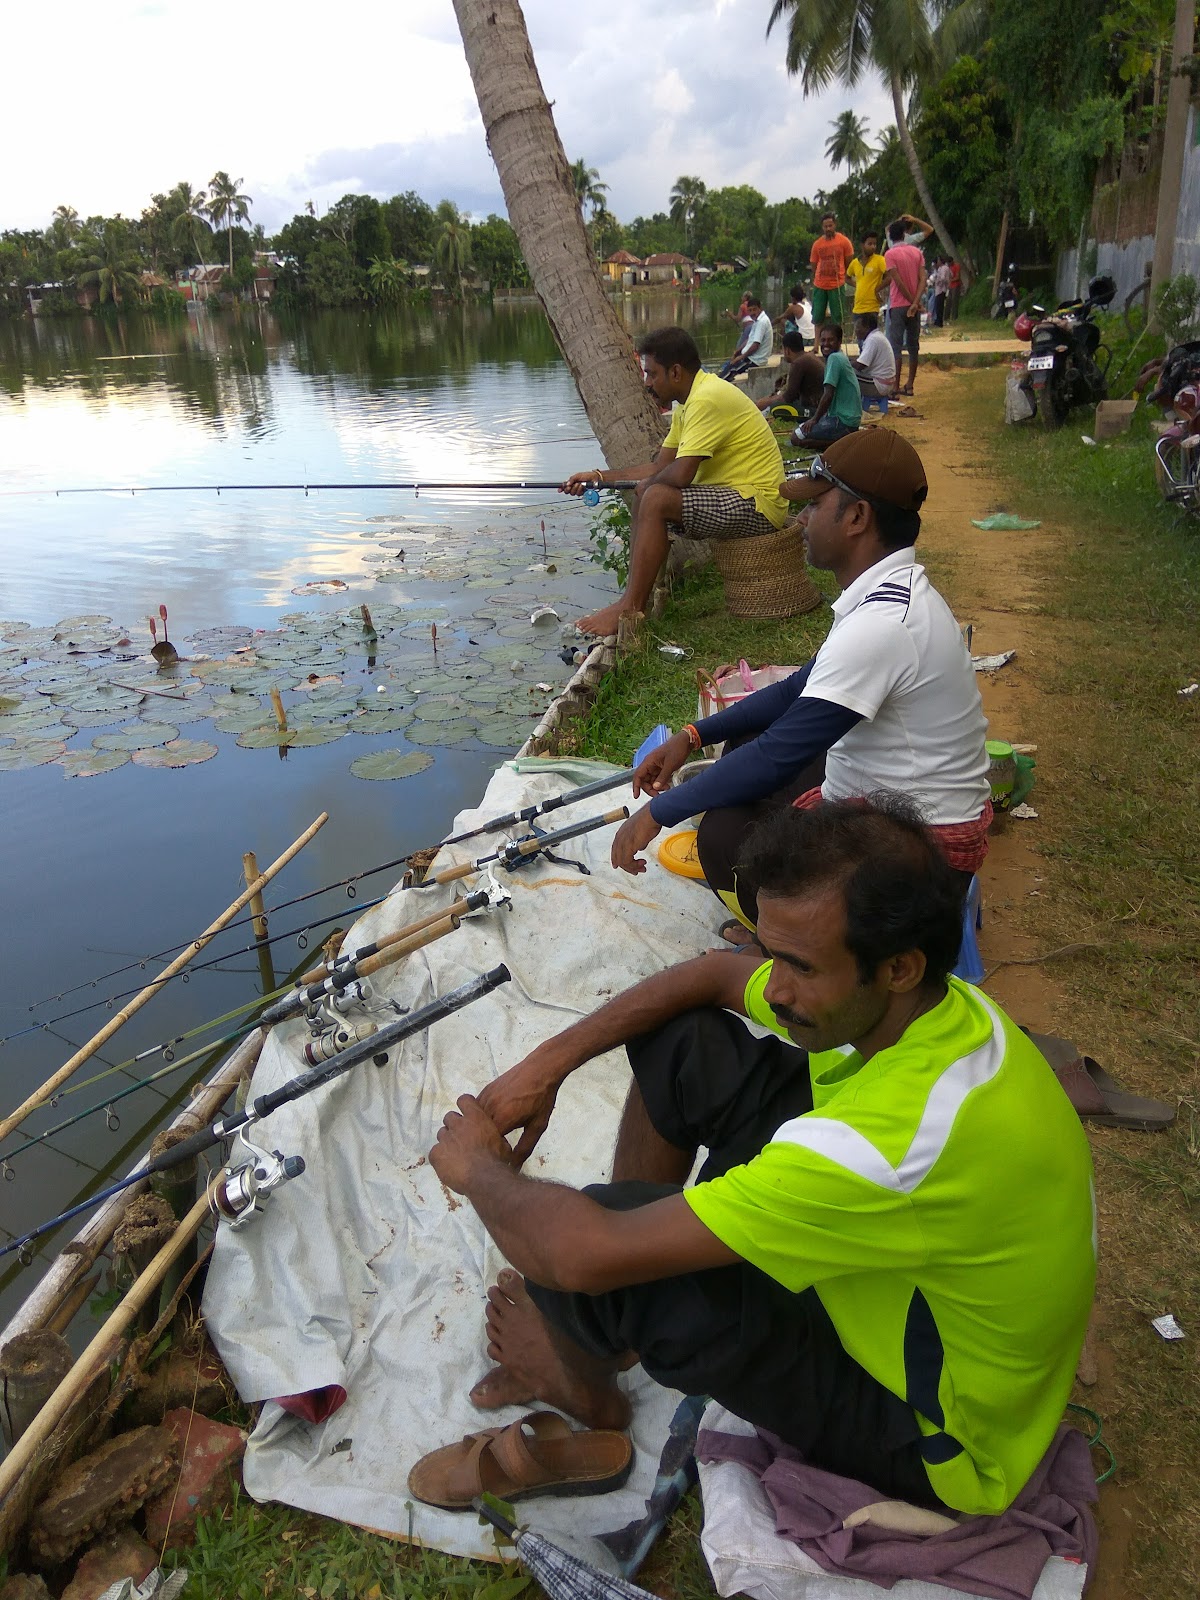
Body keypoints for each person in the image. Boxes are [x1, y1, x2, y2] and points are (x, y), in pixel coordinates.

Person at [426, 795, 1097, 1518]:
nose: (774, 988)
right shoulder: (941, 1010)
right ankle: (610, 1324)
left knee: (585, 1243)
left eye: (800, 966)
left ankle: (586, 1389)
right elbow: (712, 976)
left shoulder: (880, 1147)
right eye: (769, 952)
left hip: (938, 1439)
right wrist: (546, 1065)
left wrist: (479, 1170)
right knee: (686, 1042)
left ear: (898, 967)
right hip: (933, 1296)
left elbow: (579, 1251)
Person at [606, 429, 991, 933]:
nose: (801, 519)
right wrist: (692, 736)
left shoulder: (881, 627)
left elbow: (777, 756)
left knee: (724, 838)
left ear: (857, 518)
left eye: (813, 506)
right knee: (740, 741)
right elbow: (795, 691)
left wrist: (658, 812)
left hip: (923, 853)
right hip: (901, 807)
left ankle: (796, 947)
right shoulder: (888, 595)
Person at [564, 326, 789, 638]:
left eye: (652, 374)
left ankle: (631, 606)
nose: (647, 384)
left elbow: (681, 474)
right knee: (649, 493)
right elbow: (660, 466)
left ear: (676, 372)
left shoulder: (706, 399)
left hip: (758, 505)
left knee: (654, 497)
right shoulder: (690, 401)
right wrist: (600, 478)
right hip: (735, 496)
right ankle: (630, 601)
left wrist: (649, 486)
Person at [789, 324, 860, 447]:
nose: (826, 344)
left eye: (830, 340)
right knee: (803, 427)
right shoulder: (839, 356)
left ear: (839, 341)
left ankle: (839, 442)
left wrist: (815, 419)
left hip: (842, 421)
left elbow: (828, 394)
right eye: (823, 340)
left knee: (796, 437)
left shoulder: (834, 358)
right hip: (849, 419)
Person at [884, 218, 927, 397]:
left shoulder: (890, 254)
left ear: (891, 237)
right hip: (914, 306)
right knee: (913, 346)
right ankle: (910, 385)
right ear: (904, 235)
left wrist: (911, 303)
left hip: (898, 305)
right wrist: (916, 303)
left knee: (896, 347)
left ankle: (895, 386)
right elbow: (923, 279)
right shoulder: (916, 252)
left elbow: (898, 282)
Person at [756, 330, 825, 419]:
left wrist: (764, 403)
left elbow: (788, 397)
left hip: (816, 410)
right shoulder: (809, 356)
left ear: (787, 350)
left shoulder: (798, 363)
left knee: (776, 408)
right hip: (819, 407)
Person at [809, 213, 855, 330]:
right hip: (820, 285)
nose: (828, 228)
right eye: (825, 226)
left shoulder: (844, 242)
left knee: (838, 317)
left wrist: (842, 275)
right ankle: (816, 346)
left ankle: (837, 344)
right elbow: (814, 264)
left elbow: (849, 263)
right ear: (822, 227)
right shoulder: (817, 244)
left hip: (837, 284)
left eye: (830, 225)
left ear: (835, 225)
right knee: (818, 317)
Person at [721, 296, 773, 382]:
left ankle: (718, 383)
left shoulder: (762, 322)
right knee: (729, 364)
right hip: (751, 357)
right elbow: (750, 339)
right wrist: (738, 351)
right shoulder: (757, 320)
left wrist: (741, 356)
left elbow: (755, 345)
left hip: (755, 360)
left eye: (754, 309)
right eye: (750, 310)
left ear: (760, 308)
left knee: (731, 368)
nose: (752, 313)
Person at [851, 313, 896, 401]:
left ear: (867, 327)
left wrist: (846, 363)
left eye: (858, 327)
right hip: (885, 383)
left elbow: (861, 365)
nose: (855, 331)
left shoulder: (873, 339)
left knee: (844, 374)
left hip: (880, 385)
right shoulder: (876, 336)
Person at [845, 231, 890, 319]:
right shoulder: (855, 263)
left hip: (872, 307)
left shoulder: (879, 260)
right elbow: (847, 278)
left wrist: (878, 289)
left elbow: (890, 277)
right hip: (857, 308)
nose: (873, 247)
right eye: (870, 244)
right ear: (862, 245)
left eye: (874, 244)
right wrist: (857, 285)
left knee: (871, 332)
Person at [717, 293, 753, 379]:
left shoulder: (742, 306)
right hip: (752, 327)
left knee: (738, 349)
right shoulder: (751, 305)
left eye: (742, 296)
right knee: (743, 347)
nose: (741, 298)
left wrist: (729, 314)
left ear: (745, 297)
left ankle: (727, 368)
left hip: (747, 328)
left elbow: (738, 319)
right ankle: (732, 366)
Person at [932, 258, 951, 328]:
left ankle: (939, 322)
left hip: (941, 289)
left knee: (939, 306)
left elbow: (943, 278)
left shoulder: (944, 268)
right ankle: (938, 320)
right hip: (939, 289)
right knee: (938, 306)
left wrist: (939, 282)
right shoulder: (940, 268)